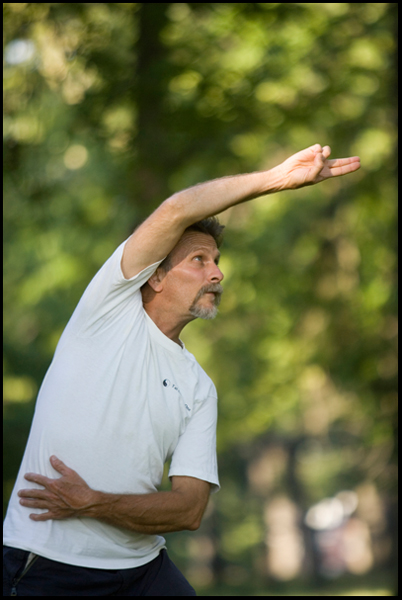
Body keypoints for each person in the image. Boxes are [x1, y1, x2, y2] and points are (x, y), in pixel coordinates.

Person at [3, 144, 360, 596]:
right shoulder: (106, 313)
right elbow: (175, 210)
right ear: (154, 276)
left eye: (216, 261)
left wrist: (92, 503)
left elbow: (188, 511)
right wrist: (274, 180)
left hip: (142, 572)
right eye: (199, 260)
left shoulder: (199, 387)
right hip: (48, 566)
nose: (217, 274)